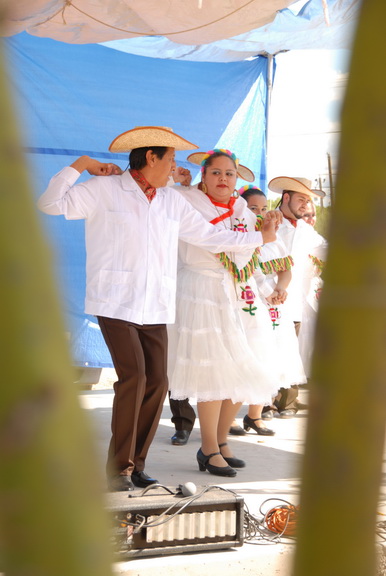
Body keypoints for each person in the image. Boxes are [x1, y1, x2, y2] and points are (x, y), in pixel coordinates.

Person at [37, 127, 280, 491]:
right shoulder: (104, 189)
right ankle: (117, 468)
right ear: (152, 157)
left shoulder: (171, 201)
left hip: (156, 305)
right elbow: (50, 204)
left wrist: (261, 237)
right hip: (115, 301)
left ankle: (137, 465)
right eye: (170, 159)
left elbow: (211, 237)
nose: (174, 168)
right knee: (134, 378)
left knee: (158, 382)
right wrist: (80, 165)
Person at [168, 149, 283, 476]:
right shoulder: (186, 199)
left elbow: (248, 251)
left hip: (234, 289)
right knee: (212, 369)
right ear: (203, 175)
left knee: (244, 367)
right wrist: (256, 237)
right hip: (200, 288)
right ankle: (207, 449)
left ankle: (220, 442)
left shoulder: (242, 207)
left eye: (229, 174)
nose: (223, 179)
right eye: (216, 172)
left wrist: (261, 236)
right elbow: (210, 239)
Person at [229, 184, 306, 433]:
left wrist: (281, 289)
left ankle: (255, 414)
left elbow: (286, 271)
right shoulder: (238, 237)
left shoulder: (274, 239)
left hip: (274, 306)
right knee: (241, 357)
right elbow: (247, 272)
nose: (259, 213)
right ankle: (227, 417)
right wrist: (268, 292)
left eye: (263, 208)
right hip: (247, 302)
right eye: (253, 208)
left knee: (268, 357)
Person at [263, 175, 328, 417]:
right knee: (266, 350)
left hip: (294, 302)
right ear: (286, 197)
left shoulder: (306, 231)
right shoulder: (267, 221)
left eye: (308, 201)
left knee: (292, 352)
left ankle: (287, 402)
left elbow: (325, 249)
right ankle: (263, 404)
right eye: (301, 199)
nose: (305, 205)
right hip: (266, 298)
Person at [298, 203, 325, 378]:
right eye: (306, 215)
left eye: (313, 215)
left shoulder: (317, 238)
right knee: (302, 335)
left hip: (314, 288)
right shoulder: (294, 236)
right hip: (297, 290)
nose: (311, 219)